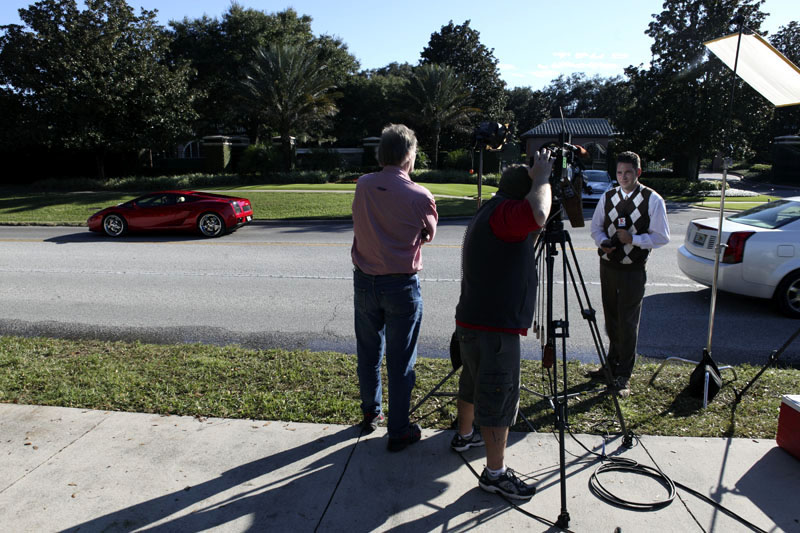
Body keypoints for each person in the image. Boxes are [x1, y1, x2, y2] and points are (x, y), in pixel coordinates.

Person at [452, 151, 554, 500]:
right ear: (523, 193)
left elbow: (528, 233)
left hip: (475, 320)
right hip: (495, 328)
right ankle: (494, 474)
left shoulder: (492, 210)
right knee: (498, 395)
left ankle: (465, 435)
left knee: (472, 382)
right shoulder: (506, 213)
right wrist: (542, 179)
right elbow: (537, 215)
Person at [351, 123, 438, 452]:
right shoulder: (420, 195)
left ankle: (371, 411)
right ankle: (399, 429)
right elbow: (429, 234)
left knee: (368, 353)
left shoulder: (363, 185)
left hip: (365, 281)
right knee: (400, 361)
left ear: (381, 154)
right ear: (409, 156)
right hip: (401, 286)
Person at [588, 151, 670, 398]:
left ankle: (624, 373)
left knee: (628, 321)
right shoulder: (608, 196)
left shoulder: (652, 199)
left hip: (632, 269)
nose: (623, 177)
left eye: (628, 173)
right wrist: (602, 242)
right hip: (608, 266)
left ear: (638, 173)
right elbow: (596, 227)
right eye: (619, 172)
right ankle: (610, 365)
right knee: (611, 318)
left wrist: (633, 239)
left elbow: (662, 237)